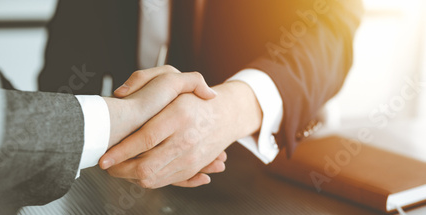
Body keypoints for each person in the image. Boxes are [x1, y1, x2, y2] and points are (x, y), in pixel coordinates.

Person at [39, 0, 364, 189]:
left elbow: (331, 29)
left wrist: (232, 109)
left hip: (268, 167)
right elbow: (65, 72)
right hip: (129, 168)